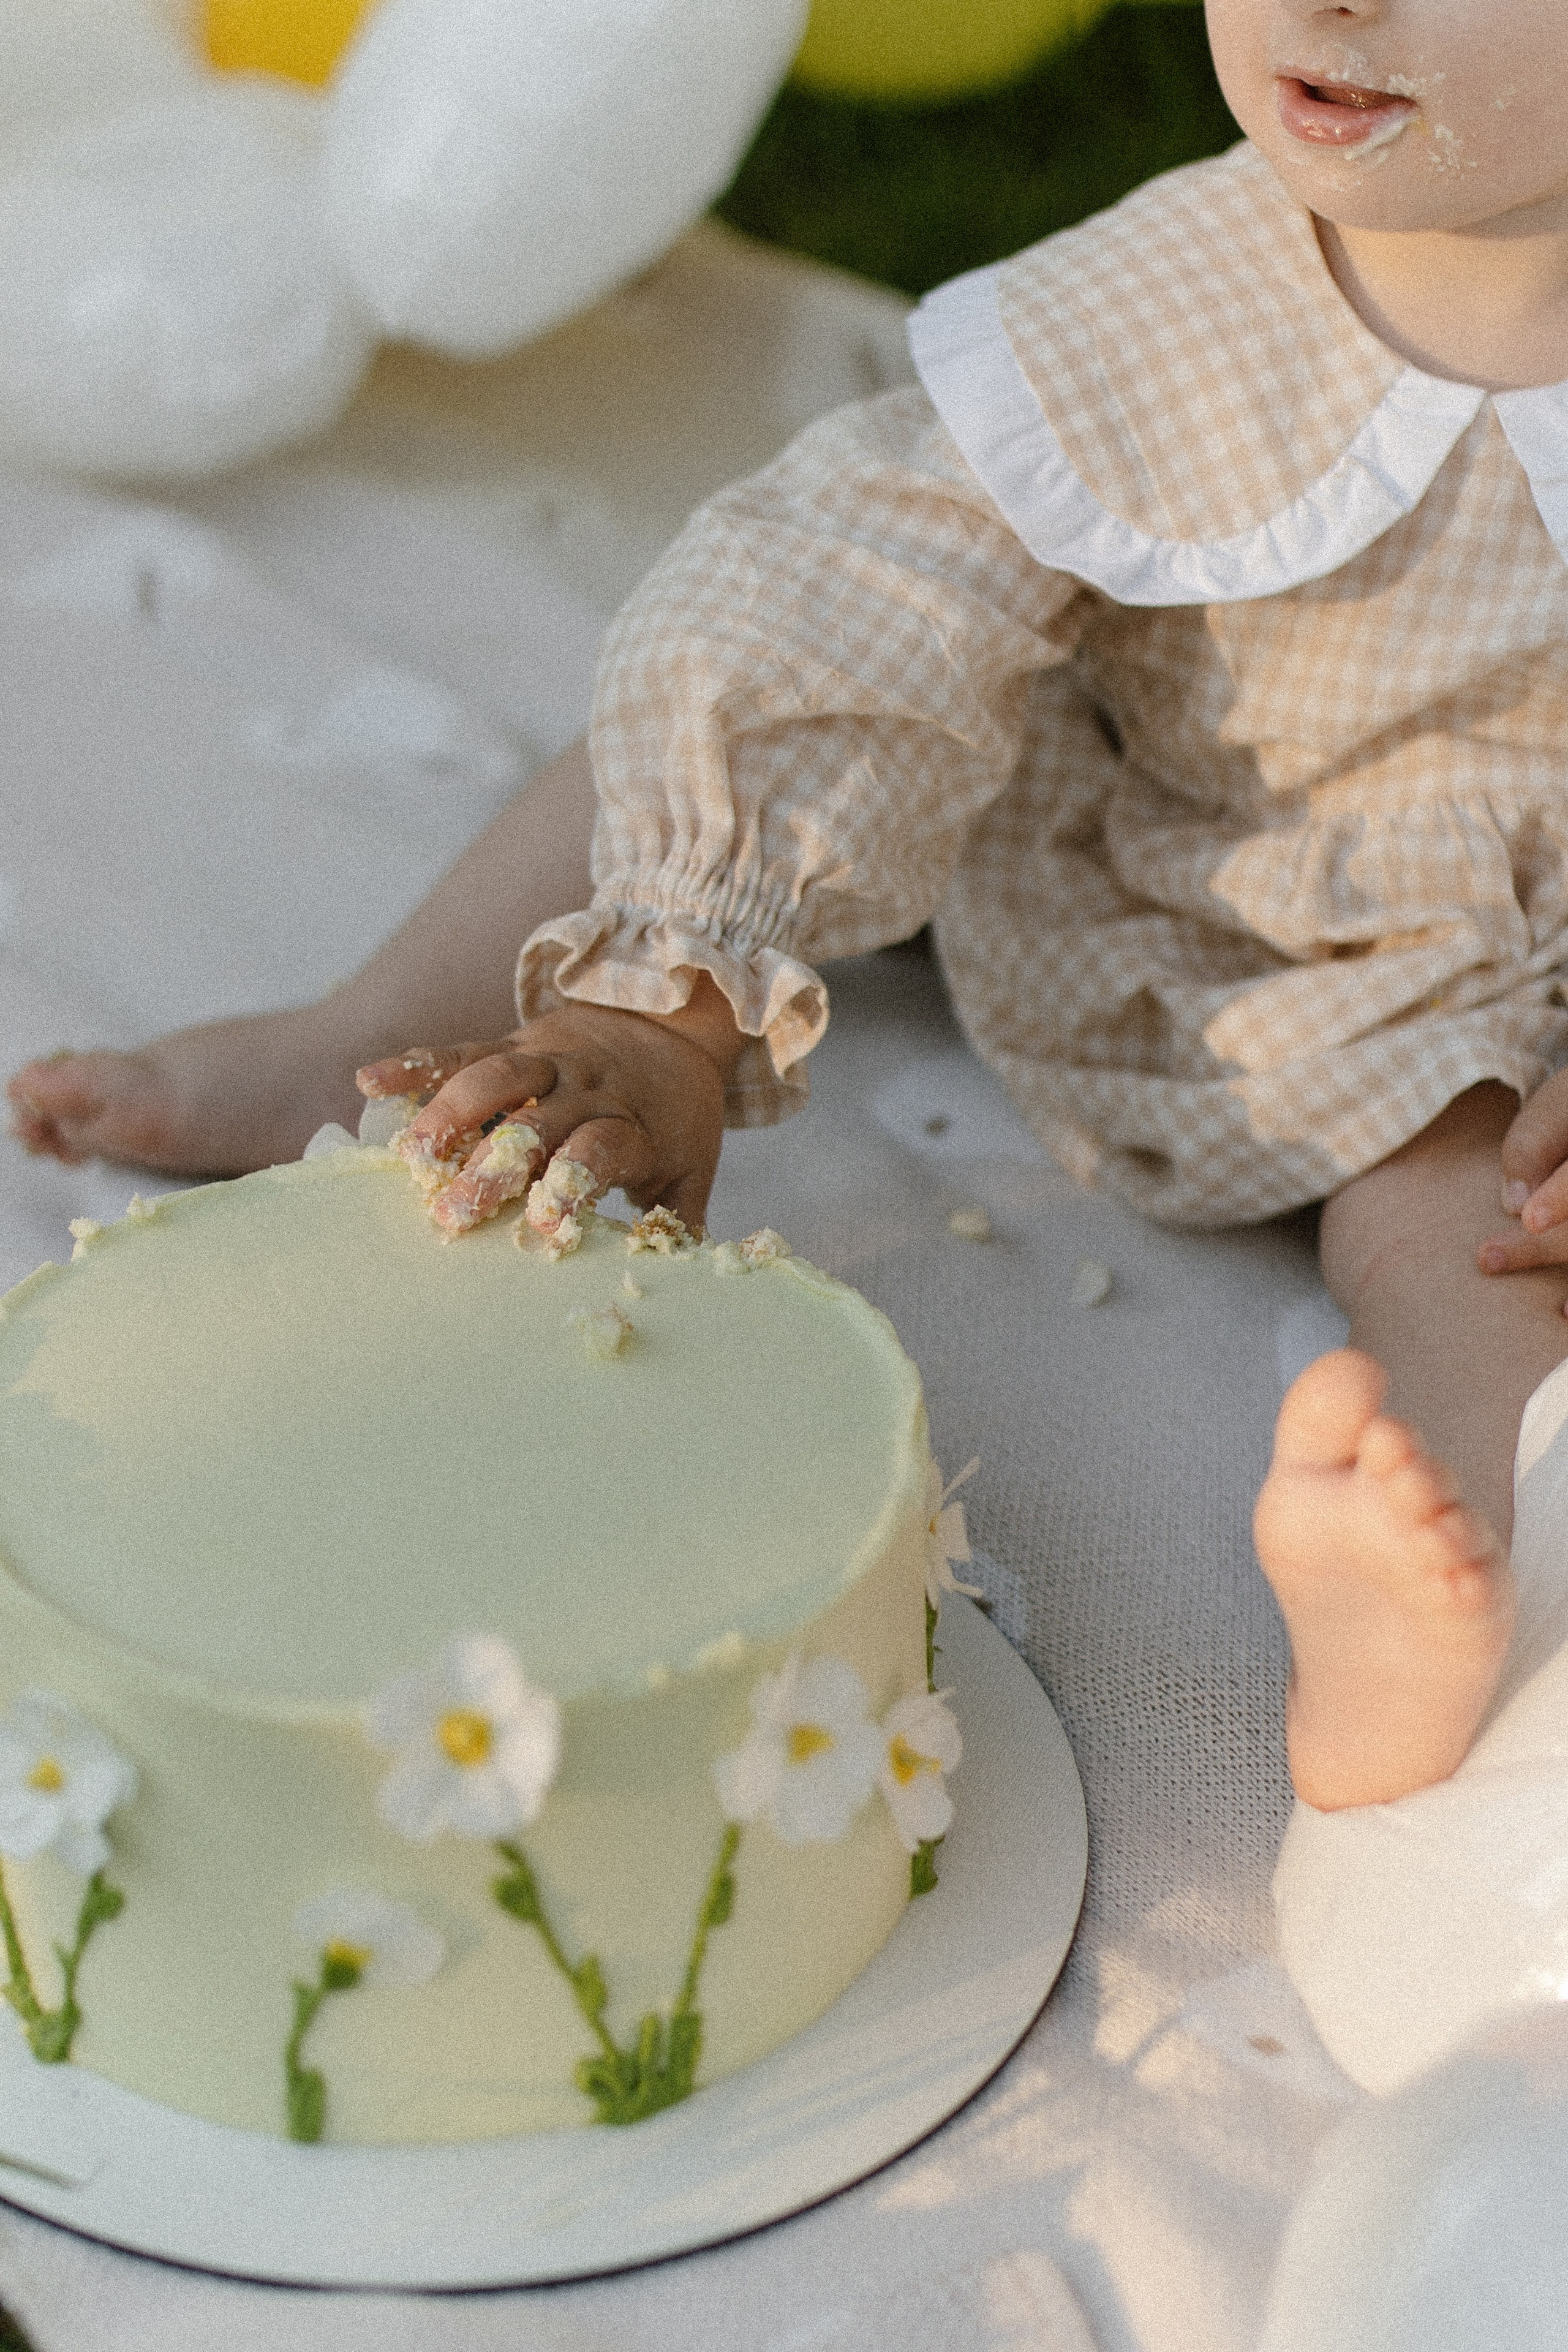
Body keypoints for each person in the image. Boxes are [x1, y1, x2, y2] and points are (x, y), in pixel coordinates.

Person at [12, 0, 1568, 1822]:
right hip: (1077, 814)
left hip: (1439, 978)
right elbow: (853, 596)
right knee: (694, 716)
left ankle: (1439, 1588)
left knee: (1478, 1230)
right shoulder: (1184, 313)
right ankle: (369, 1028)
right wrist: (667, 989)